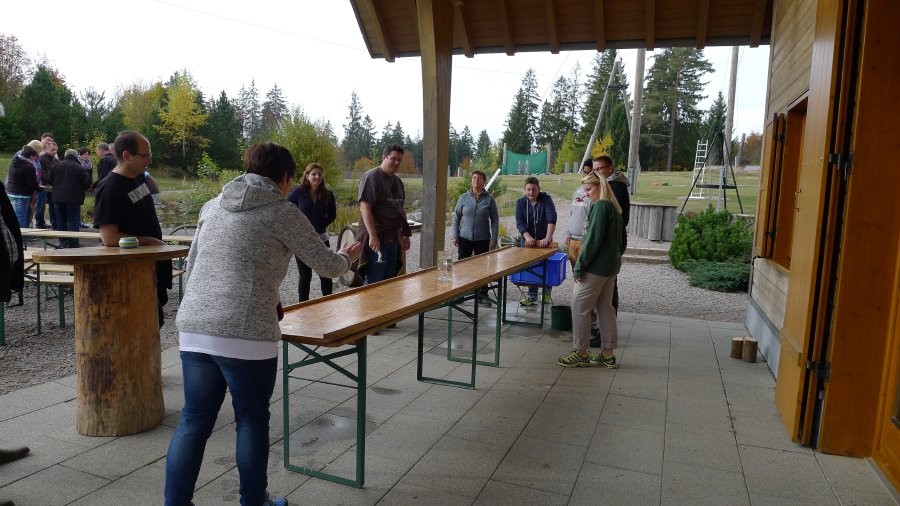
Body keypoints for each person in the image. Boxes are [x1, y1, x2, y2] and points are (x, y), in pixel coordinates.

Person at [166, 142, 361, 506]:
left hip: (194, 326)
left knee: (193, 422)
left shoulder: (212, 206)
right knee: (251, 421)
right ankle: (254, 501)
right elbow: (328, 266)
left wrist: (268, 294)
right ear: (287, 178)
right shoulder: (282, 212)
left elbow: (196, 266)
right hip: (246, 335)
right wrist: (347, 258)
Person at [93, 131, 171, 326]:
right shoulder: (110, 188)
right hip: (131, 276)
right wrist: (150, 241)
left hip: (149, 270)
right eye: (145, 156)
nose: (149, 160)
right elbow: (109, 238)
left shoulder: (138, 178)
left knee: (154, 325)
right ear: (127, 155)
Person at [559, 172, 622, 369]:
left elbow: (593, 241)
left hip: (596, 268)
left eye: (589, 189)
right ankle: (607, 354)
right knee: (605, 308)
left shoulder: (601, 206)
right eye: (585, 190)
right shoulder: (613, 206)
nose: (586, 194)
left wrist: (580, 267)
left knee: (579, 306)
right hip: (609, 268)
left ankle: (581, 352)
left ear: (600, 186)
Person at [590, 156, 631, 347]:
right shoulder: (609, 185)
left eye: (600, 168)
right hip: (612, 242)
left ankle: (605, 334)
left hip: (611, 243)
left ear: (610, 168)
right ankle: (604, 330)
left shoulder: (615, 187)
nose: (596, 172)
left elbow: (616, 219)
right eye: (594, 169)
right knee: (607, 288)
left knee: (607, 291)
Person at [357, 144, 412, 285]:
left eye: (399, 160)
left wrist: (405, 234)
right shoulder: (371, 177)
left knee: (389, 278)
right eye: (393, 159)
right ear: (383, 157)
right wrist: (373, 236)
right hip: (376, 236)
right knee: (374, 280)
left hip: (392, 236)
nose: (396, 163)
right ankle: (370, 307)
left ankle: (387, 307)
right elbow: (365, 208)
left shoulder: (398, 182)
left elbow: (400, 209)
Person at [288, 162, 337, 301]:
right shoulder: (297, 192)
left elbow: (332, 215)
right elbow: (288, 212)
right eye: (313, 174)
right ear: (307, 176)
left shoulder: (328, 194)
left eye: (319, 174)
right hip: (302, 241)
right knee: (305, 276)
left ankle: (327, 303)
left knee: (326, 273)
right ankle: (303, 307)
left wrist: (319, 225)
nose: (317, 177)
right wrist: (300, 228)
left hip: (321, 239)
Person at [450, 170, 499, 307]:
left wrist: (493, 239)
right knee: (461, 267)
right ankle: (459, 294)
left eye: (479, 178)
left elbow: (495, 220)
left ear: (484, 181)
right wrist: (454, 235)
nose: (476, 179)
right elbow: (456, 217)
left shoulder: (489, 199)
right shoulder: (463, 198)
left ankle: (482, 295)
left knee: (482, 269)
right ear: (471, 181)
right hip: (464, 238)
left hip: (482, 239)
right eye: (474, 177)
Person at [514, 176, 557, 305]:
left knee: (546, 266)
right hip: (528, 241)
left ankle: (546, 294)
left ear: (539, 189)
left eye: (534, 189)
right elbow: (520, 222)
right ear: (524, 190)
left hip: (544, 240)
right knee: (531, 267)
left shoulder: (546, 199)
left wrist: (548, 238)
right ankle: (532, 295)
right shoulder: (520, 203)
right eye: (528, 189)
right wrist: (527, 237)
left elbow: (551, 218)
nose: (531, 192)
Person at [47, 149, 92, 246]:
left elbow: (49, 179)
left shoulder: (56, 166)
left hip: (57, 197)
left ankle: (63, 242)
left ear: (65, 155)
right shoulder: (79, 167)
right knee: (73, 220)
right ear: (76, 156)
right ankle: (73, 243)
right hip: (74, 198)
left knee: (60, 220)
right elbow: (87, 183)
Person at [5, 144, 41, 228]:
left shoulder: (15, 162)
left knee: (18, 215)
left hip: (11, 192)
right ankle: (21, 237)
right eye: (34, 157)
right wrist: (40, 188)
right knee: (21, 218)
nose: (35, 159)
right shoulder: (29, 167)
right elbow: (32, 183)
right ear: (31, 155)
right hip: (22, 195)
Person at [35, 139, 58, 229]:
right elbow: (41, 174)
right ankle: (39, 223)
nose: (54, 152)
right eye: (52, 150)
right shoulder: (41, 159)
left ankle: (54, 223)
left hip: (52, 186)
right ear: (47, 149)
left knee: (53, 205)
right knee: (41, 205)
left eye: (56, 150)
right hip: (43, 185)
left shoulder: (55, 160)